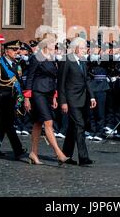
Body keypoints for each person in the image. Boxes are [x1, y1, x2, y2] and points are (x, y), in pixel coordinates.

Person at [23, 37, 70, 165]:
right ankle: (58, 153)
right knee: (48, 122)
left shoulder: (52, 58)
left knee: (38, 123)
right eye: (53, 43)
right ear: (45, 45)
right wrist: (27, 98)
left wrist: (54, 96)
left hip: (48, 93)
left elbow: (54, 78)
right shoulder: (36, 57)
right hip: (38, 93)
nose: (55, 46)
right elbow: (30, 78)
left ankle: (33, 153)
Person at [58, 37, 97, 166]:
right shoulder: (67, 60)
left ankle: (65, 155)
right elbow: (61, 83)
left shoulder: (83, 61)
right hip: (71, 99)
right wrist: (63, 101)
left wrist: (92, 96)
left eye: (85, 48)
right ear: (75, 48)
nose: (84, 50)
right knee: (80, 125)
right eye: (82, 48)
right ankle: (83, 157)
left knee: (73, 127)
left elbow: (87, 80)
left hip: (83, 98)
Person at [0, 40, 27, 160]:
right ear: (6, 51)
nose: (17, 52)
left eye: (17, 50)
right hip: (2, 98)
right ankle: (18, 149)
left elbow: (20, 82)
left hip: (12, 98)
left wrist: (21, 97)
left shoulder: (17, 64)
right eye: (14, 50)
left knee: (2, 124)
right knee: (8, 124)